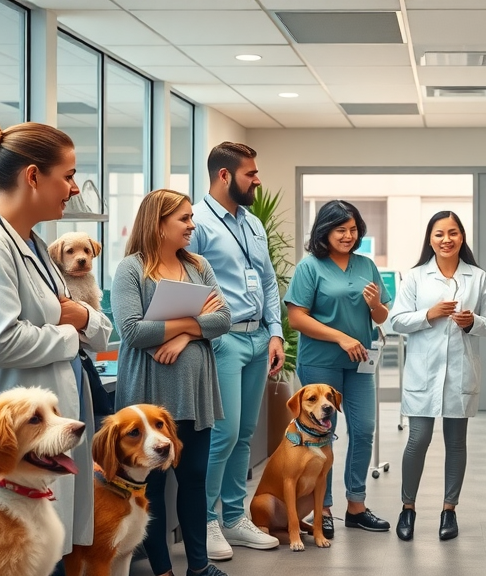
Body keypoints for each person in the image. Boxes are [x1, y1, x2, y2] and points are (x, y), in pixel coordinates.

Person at [0, 119, 112, 568]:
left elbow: (96, 326)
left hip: (45, 434)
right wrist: (70, 331)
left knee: (48, 550)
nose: (73, 189)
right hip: (13, 443)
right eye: (68, 176)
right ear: (33, 176)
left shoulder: (36, 246)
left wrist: (82, 318)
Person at [111, 188, 232, 576]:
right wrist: (193, 323)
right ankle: (162, 570)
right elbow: (133, 331)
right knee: (153, 489)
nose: (192, 225)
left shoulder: (198, 266)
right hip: (148, 397)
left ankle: (199, 567)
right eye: (184, 218)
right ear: (158, 224)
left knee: (194, 482)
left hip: (195, 396)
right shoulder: (131, 269)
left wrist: (181, 335)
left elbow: (224, 320)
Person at [188, 142, 282, 560]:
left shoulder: (253, 222)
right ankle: (205, 521)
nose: (257, 180)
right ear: (224, 175)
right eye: (251, 173)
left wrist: (275, 333)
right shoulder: (197, 222)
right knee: (223, 435)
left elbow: (268, 281)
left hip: (258, 338)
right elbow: (187, 284)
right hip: (223, 340)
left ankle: (233, 517)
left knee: (244, 434)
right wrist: (208, 333)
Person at [388, 211, 486, 542]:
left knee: (455, 443)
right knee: (418, 439)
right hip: (423, 372)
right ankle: (407, 508)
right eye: (439, 234)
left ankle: (449, 510)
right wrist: (430, 314)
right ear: (430, 239)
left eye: (453, 233)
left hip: (459, 372)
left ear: (461, 237)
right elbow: (396, 320)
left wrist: (472, 322)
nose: (446, 239)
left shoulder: (477, 278)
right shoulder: (415, 277)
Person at [285, 199, 392, 536]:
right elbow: (296, 318)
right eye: (340, 229)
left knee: (363, 429)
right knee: (322, 434)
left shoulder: (366, 266)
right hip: (320, 363)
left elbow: (381, 316)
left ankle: (356, 505)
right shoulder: (310, 267)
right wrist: (341, 338)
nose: (348, 235)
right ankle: (324, 508)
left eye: (353, 229)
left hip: (358, 363)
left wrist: (374, 304)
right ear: (325, 231)